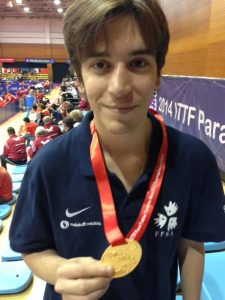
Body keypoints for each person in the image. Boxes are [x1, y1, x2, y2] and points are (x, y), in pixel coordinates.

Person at [9, 1, 225, 300]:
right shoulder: (48, 165)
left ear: (158, 74)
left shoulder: (194, 159)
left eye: (137, 63)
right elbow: (33, 247)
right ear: (80, 79)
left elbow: (191, 245)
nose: (120, 86)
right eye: (101, 65)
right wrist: (59, 271)